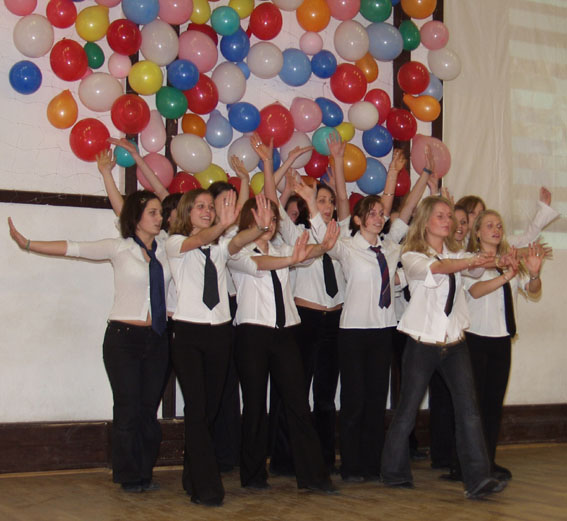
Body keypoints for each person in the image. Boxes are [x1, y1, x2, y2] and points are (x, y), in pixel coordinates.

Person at [8, 191, 172, 493]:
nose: (159, 218)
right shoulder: (119, 247)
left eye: (160, 212)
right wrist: (28, 243)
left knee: (148, 410)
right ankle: (128, 476)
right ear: (136, 218)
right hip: (123, 339)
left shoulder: (166, 248)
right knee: (127, 407)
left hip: (158, 339)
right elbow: (74, 247)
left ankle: (145, 472)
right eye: (152, 212)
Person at [380, 196, 509, 499]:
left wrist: (501, 262)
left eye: (449, 216)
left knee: (469, 411)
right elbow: (440, 268)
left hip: (454, 344)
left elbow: (473, 268)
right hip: (422, 343)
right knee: (407, 410)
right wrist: (471, 261)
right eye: (440, 216)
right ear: (426, 222)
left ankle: (478, 479)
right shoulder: (412, 255)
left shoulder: (456, 253)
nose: (447, 221)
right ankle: (393, 471)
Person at [165, 188, 271, 506]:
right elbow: (199, 239)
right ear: (187, 212)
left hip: (220, 334)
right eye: (200, 206)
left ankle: (192, 476)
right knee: (197, 410)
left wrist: (260, 228)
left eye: (211, 207)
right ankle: (208, 488)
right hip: (188, 333)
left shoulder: (220, 246)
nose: (207, 211)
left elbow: (236, 242)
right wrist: (223, 225)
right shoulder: (175, 243)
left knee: (209, 412)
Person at [228, 196, 340, 493]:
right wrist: (293, 259)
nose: (270, 224)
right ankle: (253, 475)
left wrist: (323, 247)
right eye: (263, 218)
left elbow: (305, 253)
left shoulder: (281, 249)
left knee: (298, 403)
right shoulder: (238, 252)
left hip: (285, 332)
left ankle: (313, 477)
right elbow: (260, 264)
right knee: (255, 404)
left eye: (273, 219)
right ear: (250, 220)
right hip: (252, 333)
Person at [255, 132, 350, 475]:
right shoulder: (298, 234)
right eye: (320, 200)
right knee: (294, 391)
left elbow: (344, 199)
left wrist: (337, 160)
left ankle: (323, 459)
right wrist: (269, 165)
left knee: (325, 394)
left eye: (329, 202)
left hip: (334, 320)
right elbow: (271, 201)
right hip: (306, 320)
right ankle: (284, 460)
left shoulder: (339, 235)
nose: (327, 206)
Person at [464, 210, 544, 480]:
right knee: (473, 406)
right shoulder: (470, 261)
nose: (496, 229)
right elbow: (475, 291)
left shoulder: (509, 261)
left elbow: (532, 290)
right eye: (489, 225)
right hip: (475, 339)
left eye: (499, 225)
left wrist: (534, 274)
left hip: (501, 340)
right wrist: (505, 275)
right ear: (477, 232)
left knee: (493, 404)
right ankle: (467, 464)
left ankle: (488, 461)